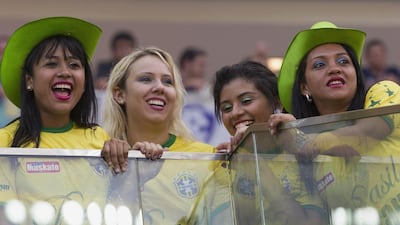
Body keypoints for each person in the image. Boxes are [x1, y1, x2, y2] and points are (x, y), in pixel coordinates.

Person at [268, 21, 400, 224]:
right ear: (304, 87)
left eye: (343, 62)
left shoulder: (383, 92)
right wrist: (242, 147)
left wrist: (303, 141)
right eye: (320, 65)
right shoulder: (311, 163)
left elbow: (368, 133)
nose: (334, 69)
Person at [0, 16, 121, 224]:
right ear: (29, 80)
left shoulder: (100, 137)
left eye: (74, 65)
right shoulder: (6, 142)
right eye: (51, 63)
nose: (65, 72)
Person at [101, 47, 218, 224]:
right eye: (146, 79)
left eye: (168, 82)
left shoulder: (207, 158)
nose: (159, 87)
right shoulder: (97, 157)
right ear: (119, 94)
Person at [207, 60, 326, 225]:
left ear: (276, 101)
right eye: (226, 108)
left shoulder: (303, 154)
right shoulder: (220, 165)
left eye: (247, 100)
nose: (235, 113)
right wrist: (243, 157)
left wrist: (253, 161)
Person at [179, 46, 230, 146]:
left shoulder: (211, 90)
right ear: (187, 64)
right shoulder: (172, 90)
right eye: (200, 64)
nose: (203, 68)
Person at [95, 30, 137, 124]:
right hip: (108, 109)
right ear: (113, 50)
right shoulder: (104, 66)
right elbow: (101, 84)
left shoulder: (137, 68)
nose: (124, 51)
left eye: (127, 47)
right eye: (121, 47)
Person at [0, 35, 19, 127]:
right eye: (0, 52)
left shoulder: (20, 73)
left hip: (15, 127)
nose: (3, 57)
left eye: (6, 52)